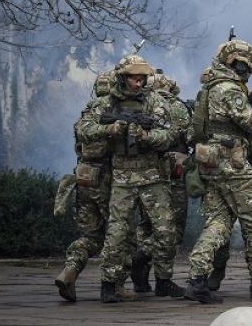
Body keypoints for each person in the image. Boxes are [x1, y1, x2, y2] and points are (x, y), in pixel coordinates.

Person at [183, 40, 252, 304]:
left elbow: (234, 124)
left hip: (211, 164)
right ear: (238, 62)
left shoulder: (211, 88)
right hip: (232, 165)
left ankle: (197, 280)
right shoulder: (230, 89)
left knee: (218, 224)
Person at [75, 55, 182, 303]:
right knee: (117, 233)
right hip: (122, 176)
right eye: (135, 79)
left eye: (143, 79)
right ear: (123, 78)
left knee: (166, 230)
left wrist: (146, 136)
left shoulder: (154, 101)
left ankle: (164, 281)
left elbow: (169, 135)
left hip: (152, 175)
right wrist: (109, 129)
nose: (139, 83)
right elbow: (82, 129)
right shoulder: (106, 104)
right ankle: (109, 284)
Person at [55, 71, 136, 302]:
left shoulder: (87, 114)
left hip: (84, 179)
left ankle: (69, 272)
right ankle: (117, 283)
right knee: (121, 233)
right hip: (107, 181)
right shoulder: (115, 114)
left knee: (89, 236)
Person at [130, 72, 192, 293]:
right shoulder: (174, 106)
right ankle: (148, 262)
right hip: (173, 170)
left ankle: (141, 278)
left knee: (146, 224)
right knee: (171, 227)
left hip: (145, 172)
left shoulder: (140, 104)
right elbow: (191, 136)